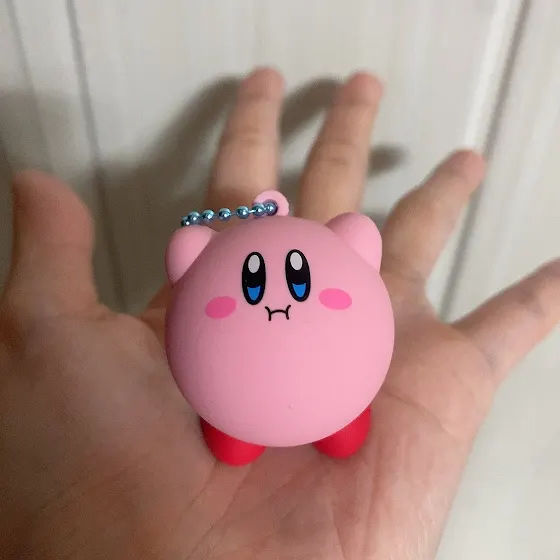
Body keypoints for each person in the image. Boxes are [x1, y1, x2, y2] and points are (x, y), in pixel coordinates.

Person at [0, 67, 558, 560]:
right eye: (254, 285)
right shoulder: (206, 283)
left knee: (339, 424)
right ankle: (244, 433)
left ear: (357, 250)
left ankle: (330, 427)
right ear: (190, 266)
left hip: (341, 402)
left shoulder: (347, 275)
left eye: (296, 280)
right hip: (227, 410)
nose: (277, 304)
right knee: (235, 433)